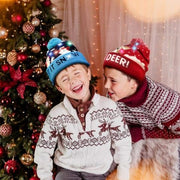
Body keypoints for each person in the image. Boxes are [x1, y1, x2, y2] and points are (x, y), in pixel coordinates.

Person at [34, 37, 132, 180]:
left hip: (100, 170)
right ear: (59, 88)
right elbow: (43, 150)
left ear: (88, 74)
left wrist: (123, 174)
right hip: (68, 170)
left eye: (76, 73)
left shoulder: (109, 107)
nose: (73, 80)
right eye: (65, 79)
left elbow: (123, 143)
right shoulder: (56, 115)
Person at [103, 38, 180, 180]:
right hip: (132, 148)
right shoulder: (112, 97)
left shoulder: (164, 102)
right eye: (105, 78)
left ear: (133, 83)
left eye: (113, 80)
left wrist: (141, 133)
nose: (106, 85)